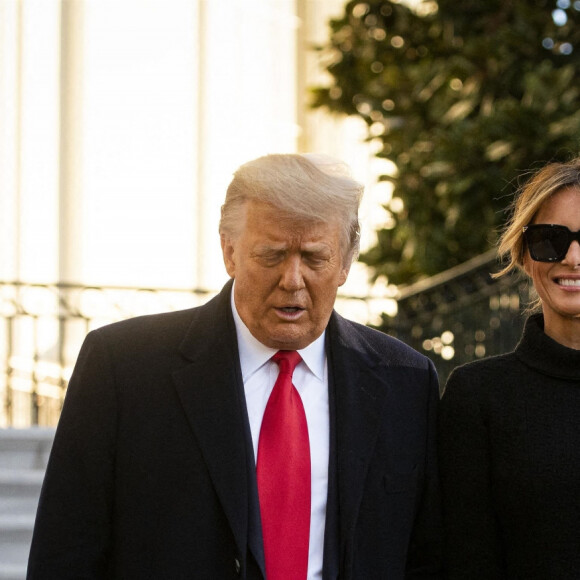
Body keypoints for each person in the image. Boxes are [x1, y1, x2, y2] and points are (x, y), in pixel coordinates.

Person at [27, 153, 443, 579]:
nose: (292, 279)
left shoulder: (406, 382)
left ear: (346, 262)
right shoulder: (124, 369)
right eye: (272, 255)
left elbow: (427, 558)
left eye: (315, 258)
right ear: (229, 251)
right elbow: (64, 555)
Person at [438, 157, 580, 579]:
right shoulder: (478, 397)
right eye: (550, 239)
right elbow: (464, 561)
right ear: (524, 253)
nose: (573, 258)